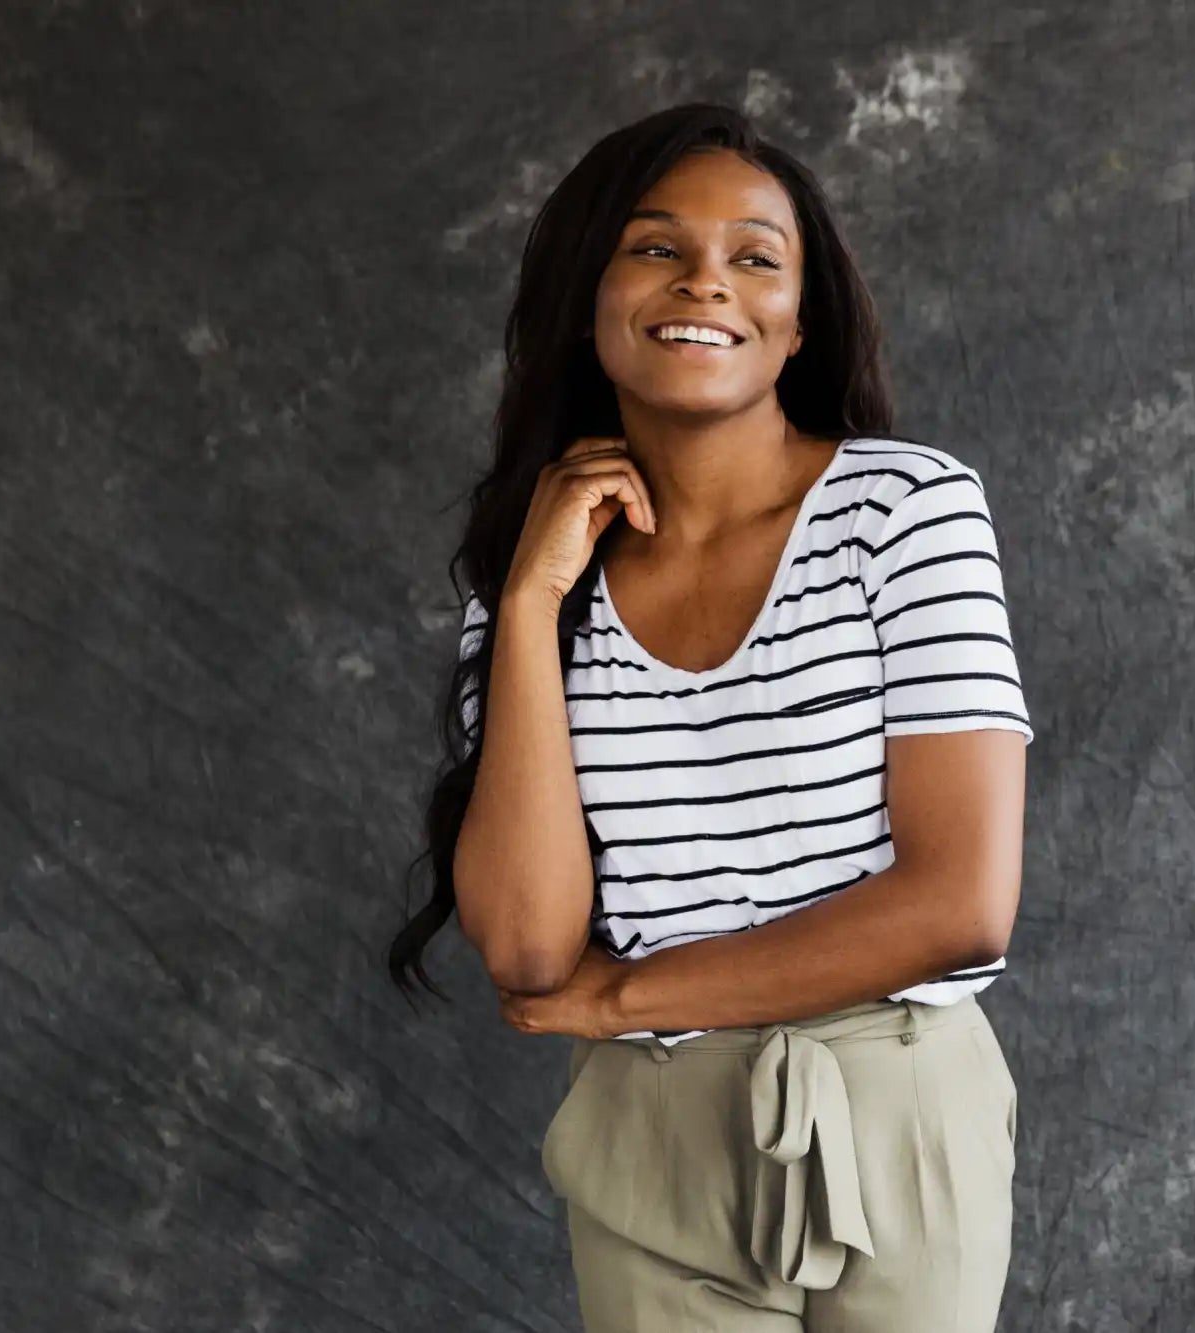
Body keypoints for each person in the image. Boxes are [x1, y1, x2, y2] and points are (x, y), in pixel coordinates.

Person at [388, 102, 1033, 1331]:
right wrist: (528, 603)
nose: (704, 283)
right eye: (652, 247)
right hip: (650, 1131)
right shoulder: (527, 582)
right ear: (590, 295)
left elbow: (958, 905)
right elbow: (528, 953)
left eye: (755, 256)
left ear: (797, 321)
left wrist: (631, 997)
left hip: (895, 1110)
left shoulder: (905, 513)